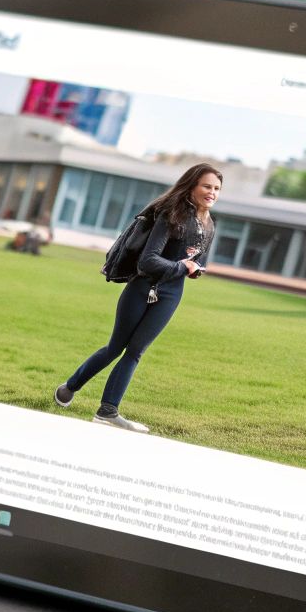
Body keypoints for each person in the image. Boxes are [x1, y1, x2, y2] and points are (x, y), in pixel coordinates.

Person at [54, 164, 221, 432]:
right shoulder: (171, 214)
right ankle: (69, 387)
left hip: (171, 294)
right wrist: (182, 267)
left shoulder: (209, 224)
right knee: (115, 348)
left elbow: (199, 262)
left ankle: (107, 411)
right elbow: (147, 261)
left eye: (216, 188)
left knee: (135, 351)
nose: (212, 192)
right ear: (192, 186)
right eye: (207, 186)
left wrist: (195, 269)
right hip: (141, 287)